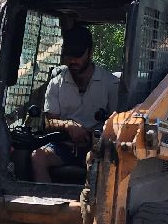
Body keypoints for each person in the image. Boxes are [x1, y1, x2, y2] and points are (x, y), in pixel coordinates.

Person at [31, 24, 118, 183]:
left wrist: (95, 136)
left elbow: (118, 122)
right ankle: (47, 205)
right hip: (63, 147)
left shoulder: (111, 84)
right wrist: (68, 125)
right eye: (69, 55)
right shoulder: (56, 83)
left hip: (97, 147)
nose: (72, 60)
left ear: (90, 53)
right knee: (38, 157)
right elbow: (49, 121)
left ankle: (91, 205)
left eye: (78, 55)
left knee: (98, 163)